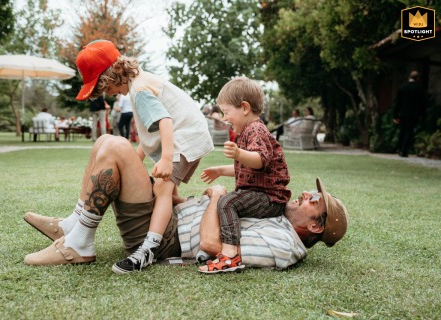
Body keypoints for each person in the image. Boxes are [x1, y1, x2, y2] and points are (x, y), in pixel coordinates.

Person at [23, 135, 349, 272]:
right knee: (105, 142)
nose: (308, 193)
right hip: (169, 216)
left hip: (165, 238)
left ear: (316, 226)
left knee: (118, 148)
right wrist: (172, 193)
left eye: (315, 200)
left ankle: (78, 243)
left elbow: (210, 243)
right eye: (313, 191)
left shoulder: (284, 246)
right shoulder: (275, 216)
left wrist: (218, 195)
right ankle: (71, 226)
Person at [74, 39, 214, 273]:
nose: (108, 94)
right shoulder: (140, 81)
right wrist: (132, 163)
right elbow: (149, 139)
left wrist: (167, 158)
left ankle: (148, 249)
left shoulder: (139, 92)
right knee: (167, 187)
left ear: (113, 75)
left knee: (162, 187)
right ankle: (186, 211)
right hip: (190, 134)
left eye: (105, 87)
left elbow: (165, 122)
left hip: (185, 137)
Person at [199, 76, 290, 273]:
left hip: (269, 198)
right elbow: (247, 168)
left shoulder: (256, 130)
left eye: (226, 112)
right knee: (229, 202)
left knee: (227, 202)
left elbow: (259, 160)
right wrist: (220, 170)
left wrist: (239, 153)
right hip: (263, 195)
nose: (224, 118)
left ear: (245, 108)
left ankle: (230, 255)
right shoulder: (248, 131)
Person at [393, 70, 427, 158]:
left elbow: (398, 102)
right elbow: (422, 103)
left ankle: (399, 148)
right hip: (413, 114)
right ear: (418, 78)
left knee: (402, 131)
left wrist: (395, 115)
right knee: (409, 131)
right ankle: (404, 151)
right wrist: (423, 115)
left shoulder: (403, 87)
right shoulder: (419, 88)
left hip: (403, 113)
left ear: (409, 77)